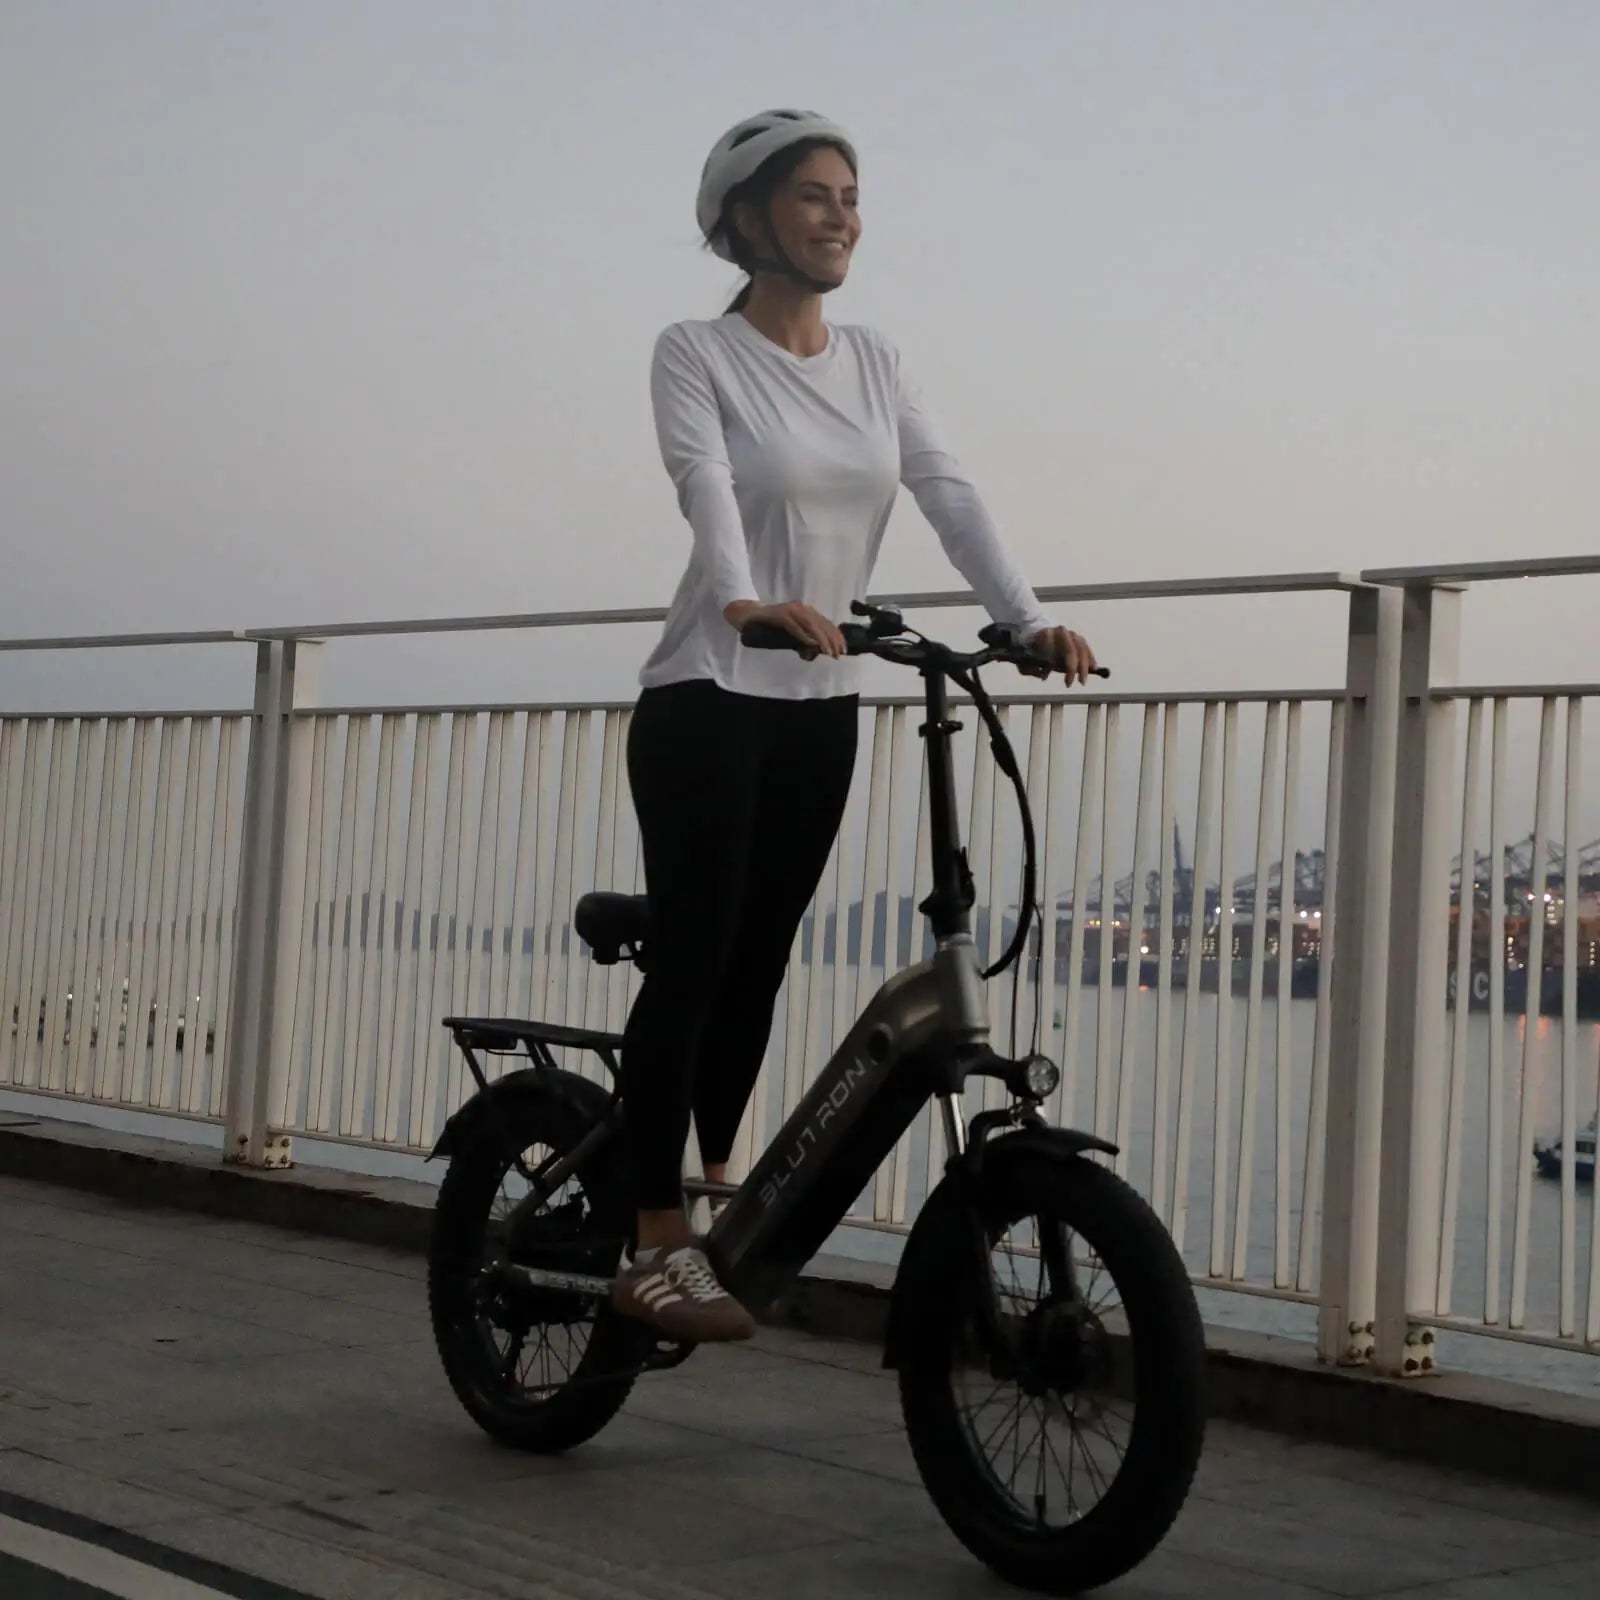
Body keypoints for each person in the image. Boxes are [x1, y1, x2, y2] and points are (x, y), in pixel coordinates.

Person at [610, 109, 1097, 1342]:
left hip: (819, 701)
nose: (841, 216)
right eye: (812, 196)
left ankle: (720, 1192)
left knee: (762, 955)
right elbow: (704, 483)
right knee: (697, 954)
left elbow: (945, 488)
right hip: (708, 693)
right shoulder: (697, 352)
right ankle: (653, 1232)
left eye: (850, 196)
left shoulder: (874, 360)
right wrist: (741, 602)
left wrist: (1025, 619)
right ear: (744, 220)